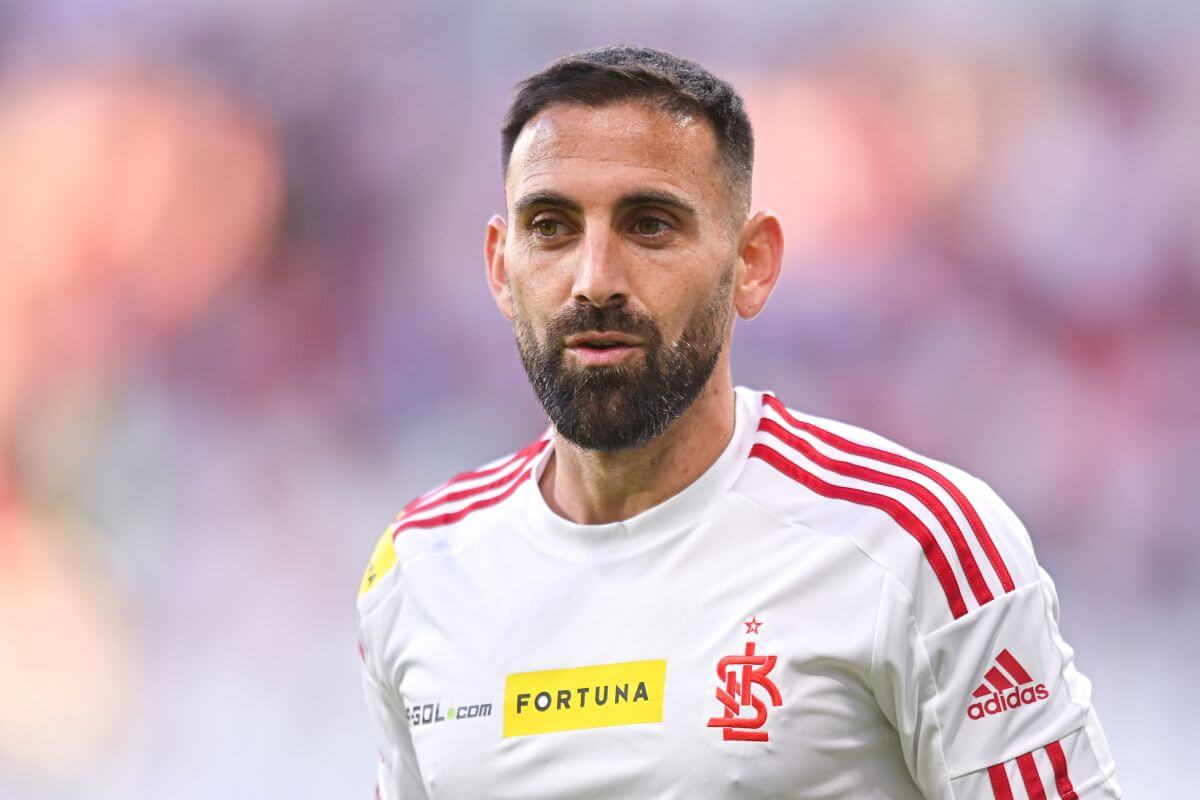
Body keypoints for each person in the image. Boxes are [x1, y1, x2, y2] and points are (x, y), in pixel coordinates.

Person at [354, 45, 1121, 800]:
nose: (594, 280)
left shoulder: (915, 543)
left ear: (752, 263)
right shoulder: (419, 567)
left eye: (650, 225)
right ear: (500, 267)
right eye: (551, 227)